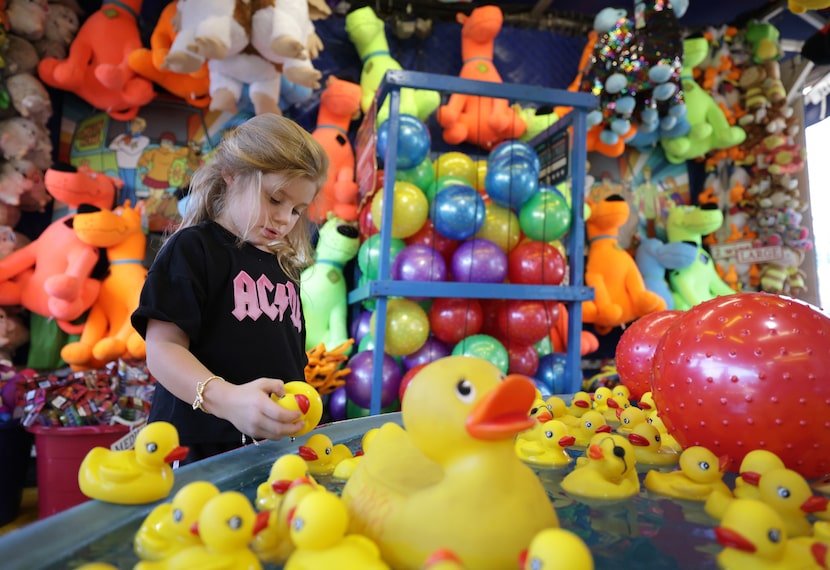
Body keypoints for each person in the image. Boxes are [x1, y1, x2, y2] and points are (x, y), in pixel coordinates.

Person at [131, 113, 330, 464]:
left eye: (298, 210)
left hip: (269, 450)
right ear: (232, 175)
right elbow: (162, 349)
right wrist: (227, 399)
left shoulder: (284, 266)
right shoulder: (193, 249)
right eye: (275, 199)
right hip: (196, 449)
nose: (285, 219)